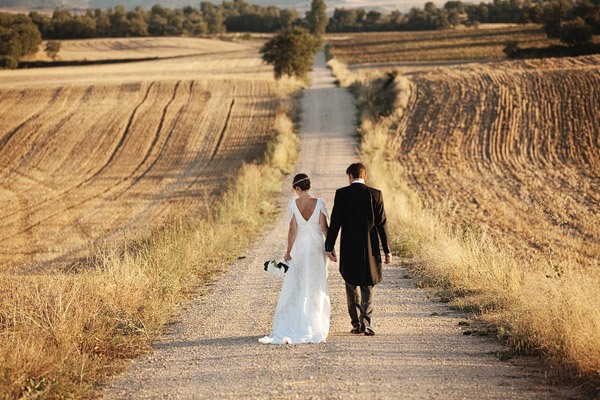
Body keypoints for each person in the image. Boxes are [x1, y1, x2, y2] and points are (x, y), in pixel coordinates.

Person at [259, 174, 330, 344]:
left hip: (300, 249)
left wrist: (288, 251)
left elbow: (292, 230)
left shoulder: (293, 204)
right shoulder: (319, 203)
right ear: (308, 186)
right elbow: (324, 227)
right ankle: (314, 322)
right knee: (315, 284)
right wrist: (330, 248)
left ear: (297, 188)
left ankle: (296, 321)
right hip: (316, 249)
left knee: (298, 284)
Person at [325, 163, 391, 336]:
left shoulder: (342, 194)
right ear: (365, 176)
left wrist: (329, 246)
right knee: (368, 284)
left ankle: (355, 323)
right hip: (370, 248)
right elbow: (382, 224)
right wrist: (387, 250)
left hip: (349, 247)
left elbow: (335, 223)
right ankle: (366, 322)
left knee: (351, 283)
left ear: (350, 176)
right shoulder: (375, 194)